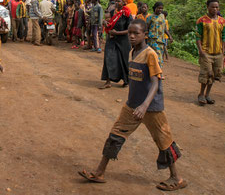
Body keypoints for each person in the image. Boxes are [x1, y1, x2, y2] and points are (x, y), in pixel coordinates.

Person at [79, 19, 186, 191]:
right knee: (115, 135)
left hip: (151, 108)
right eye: (130, 33)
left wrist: (144, 106)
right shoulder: (132, 52)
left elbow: (155, 83)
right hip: (132, 106)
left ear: (145, 34)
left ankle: (177, 178)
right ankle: (99, 172)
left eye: (136, 33)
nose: (132, 36)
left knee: (164, 141)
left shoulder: (150, 54)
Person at [196, 0, 225, 106]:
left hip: (218, 53)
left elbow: (223, 37)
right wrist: (201, 51)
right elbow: (198, 37)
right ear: (207, 7)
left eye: (217, 7)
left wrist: (223, 51)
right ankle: (201, 94)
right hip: (206, 52)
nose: (215, 9)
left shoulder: (222, 21)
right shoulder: (201, 21)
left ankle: (207, 95)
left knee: (214, 75)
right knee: (206, 74)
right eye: (212, 7)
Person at [101, 0, 132, 88]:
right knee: (108, 57)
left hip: (123, 41)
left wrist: (117, 32)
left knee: (123, 61)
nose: (116, 3)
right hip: (112, 38)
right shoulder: (111, 12)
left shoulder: (127, 14)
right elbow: (108, 23)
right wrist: (105, 23)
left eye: (119, 1)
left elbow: (130, 29)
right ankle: (108, 81)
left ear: (123, 3)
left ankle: (126, 81)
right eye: (115, 1)